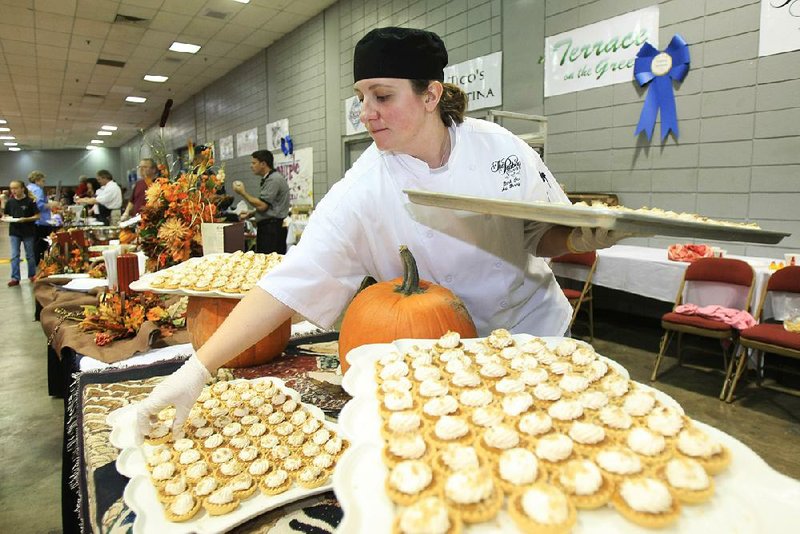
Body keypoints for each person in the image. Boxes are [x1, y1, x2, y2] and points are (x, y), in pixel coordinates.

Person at [136, 27, 633, 437]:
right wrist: (197, 369)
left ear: (431, 95)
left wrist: (575, 240)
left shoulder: (499, 148)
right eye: (361, 97)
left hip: (533, 335)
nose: (366, 112)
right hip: (439, 356)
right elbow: (287, 284)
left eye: (382, 96)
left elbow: (538, 237)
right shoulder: (363, 188)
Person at [232, 150, 290, 254]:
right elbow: (270, 205)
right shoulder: (269, 178)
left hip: (272, 229)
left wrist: (243, 192)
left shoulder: (274, 180)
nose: (251, 166)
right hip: (269, 227)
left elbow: (263, 206)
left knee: (268, 261)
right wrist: (252, 213)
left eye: (254, 163)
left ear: (263, 164)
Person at [5, 180, 40, 286]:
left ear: (22, 188)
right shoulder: (10, 202)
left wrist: (25, 219)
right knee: (15, 255)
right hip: (14, 232)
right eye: (12, 188)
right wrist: (6, 218)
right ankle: (15, 278)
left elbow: (37, 216)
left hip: (28, 232)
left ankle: (32, 275)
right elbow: (6, 215)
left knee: (30, 255)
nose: (13, 191)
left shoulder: (30, 201)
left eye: (16, 188)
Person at [27, 170, 60, 264]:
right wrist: (52, 204)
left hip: (32, 221)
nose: (44, 183)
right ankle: (41, 264)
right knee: (41, 245)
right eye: (43, 181)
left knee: (34, 244)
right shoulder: (37, 190)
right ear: (37, 180)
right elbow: (39, 205)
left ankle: (34, 263)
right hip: (41, 221)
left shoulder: (28, 188)